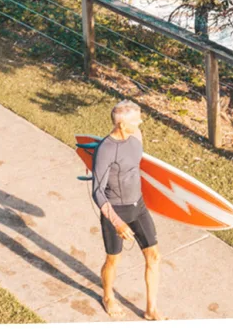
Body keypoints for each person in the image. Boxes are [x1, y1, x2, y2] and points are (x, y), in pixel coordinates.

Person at [92, 100, 163, 320]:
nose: (141, 122)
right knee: (113, 259)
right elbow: (97, 191)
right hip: (116, 211)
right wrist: (116, 221)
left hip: (138, 206)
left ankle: (151, 309)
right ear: (122, 125)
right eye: (136, 119)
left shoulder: (136, 137)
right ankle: (108, 297)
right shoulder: (106, 149)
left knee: (154, 256)